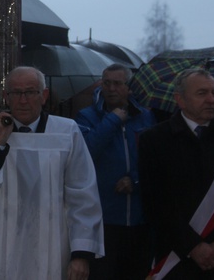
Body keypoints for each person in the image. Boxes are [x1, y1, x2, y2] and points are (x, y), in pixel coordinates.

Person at [0, 66, 104, 280]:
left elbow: (82, 194)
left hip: (50, 250)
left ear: (43, 96)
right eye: (16, 93)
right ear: (6, 97)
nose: (23, 100)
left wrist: (81, 253)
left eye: (30, 92)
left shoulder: (66, 131)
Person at [139, 68, 214, 279]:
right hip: (179, 259)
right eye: (201, 93)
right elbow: (155, 203)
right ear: (180, 99)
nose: (210, 99)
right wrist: (193, 246)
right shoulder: (154, 140)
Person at [75, 64, 155, 279]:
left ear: (128, 88)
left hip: (140, 220)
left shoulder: (146, 118)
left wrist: (135, 181)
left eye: (117, 84)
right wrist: (112, 121)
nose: (111, 88)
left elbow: (154, 161)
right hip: (104, 220)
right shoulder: (86, 117)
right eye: (106, 82)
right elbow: (84, 154)